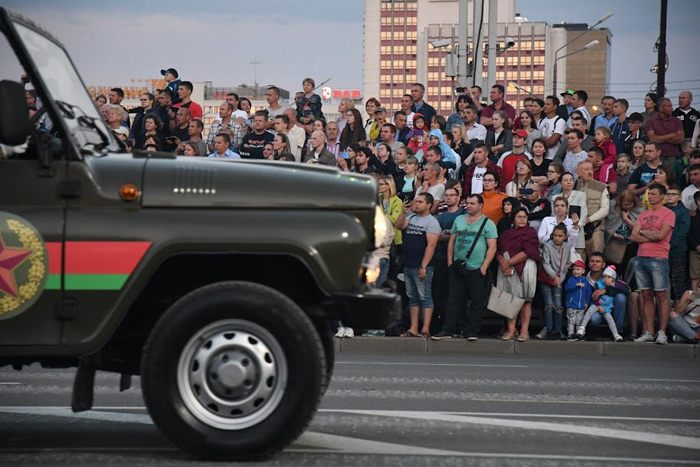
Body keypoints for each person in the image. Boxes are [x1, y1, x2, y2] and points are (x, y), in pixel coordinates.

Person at [431, 193, 498, 340]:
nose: (469, 206)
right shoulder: (459, 219)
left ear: (481, 205)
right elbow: (452, 241)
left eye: (472, 203)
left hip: (476, 267)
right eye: (467, 203)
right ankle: (448, 329)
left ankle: (472, 330)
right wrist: (450, 261)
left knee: (476, 300)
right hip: (457, 265)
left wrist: (484, 267)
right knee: (453, 299)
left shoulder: (488, 223)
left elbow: (492, 247)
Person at [630, 184, 676, 344]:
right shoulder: (644, 214)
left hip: (659, 257)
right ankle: (649, 331)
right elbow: (633, 236)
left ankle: (662, 331)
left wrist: (642, 232)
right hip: (641, 256)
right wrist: (648, 234)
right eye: (649, 194)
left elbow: (661, 235)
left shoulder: (669, 213)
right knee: (646, 295)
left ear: (662, 196)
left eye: (653, 194)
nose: (650, 197)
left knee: (662, 295)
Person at [395, 193, 441, 337]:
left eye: (420, 202)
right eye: (416, 201)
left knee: (425, 297)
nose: (417, 204)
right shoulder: (412, 217)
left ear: (429, 205)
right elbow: (399, 225)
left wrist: (424, 266)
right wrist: (403, 213)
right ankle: (413, 328)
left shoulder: (432, 222)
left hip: (421, 266)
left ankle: (425, 329)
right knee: (412, 297)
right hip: (409, 263)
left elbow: (431, 245)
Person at [495, 207, 541, 342]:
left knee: (525, 301)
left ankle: (524, 331)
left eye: (524, 217)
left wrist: (508, 262)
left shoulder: (530, 232)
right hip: (507, 270)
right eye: (519, 217)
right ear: (513, 218)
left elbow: (529, 251)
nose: (522, 219)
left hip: (525, 267)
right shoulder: (506, 234)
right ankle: (510, 330)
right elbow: (498, 251)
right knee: (510, 300)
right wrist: (503, 263)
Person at [539, 223, 572, 340]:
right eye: (555, 235)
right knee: (549, 304)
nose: (557, 238)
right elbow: (546, 263)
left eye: (560, 236)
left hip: (559, 279)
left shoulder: (567, 247)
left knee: (558, 305)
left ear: (565, 236)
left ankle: (558, 330)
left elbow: (567, 264)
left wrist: (560, 278)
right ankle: (549, 330)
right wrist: (554, 276)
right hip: (547, 278)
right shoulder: (548, 246)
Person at [583, 252, 627, 339]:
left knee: (621, 297)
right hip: (594, 308)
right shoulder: (583, 276)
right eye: (592, 261)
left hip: (610, 307)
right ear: (589, 263)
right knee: (594, 319)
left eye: (598, 261)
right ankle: (591, 331)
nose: (594, 263)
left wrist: (605, 290)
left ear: (603, 265)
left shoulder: (610, 274)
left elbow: (626, 289)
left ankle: (617, 332)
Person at [576, 266, 625, 342]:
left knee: (610, 320)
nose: (606, 279)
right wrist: (598, 306)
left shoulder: (615, 285)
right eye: (604, 277)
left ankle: (616, 335)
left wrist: (611, 284)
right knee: (589, 312)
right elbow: (594, 297)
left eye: (609, 277)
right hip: (597, 305)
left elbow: (622, 287)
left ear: (613, 278)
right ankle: (582, 328)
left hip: (606, 308)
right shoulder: (598, 284)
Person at [604, 190, 644, 276]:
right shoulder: (612, 207)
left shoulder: (639, 209)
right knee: (613, 267)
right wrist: (613, 234)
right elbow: (607, 224)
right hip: (615, 243)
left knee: (628, 267)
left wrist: (626, 219)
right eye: (625, 205)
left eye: (630, 205)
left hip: (631, 243)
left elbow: (640, 228)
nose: (627, 207)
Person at [576, 160, 610, 257]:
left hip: (596, 227)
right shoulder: (573, 187)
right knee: (578, 261)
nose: (590, 172)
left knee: (596, 258)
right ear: (578, 172)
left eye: (591, 169)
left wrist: (588, 220)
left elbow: (605, 209)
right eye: (586, 169)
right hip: (577, 229)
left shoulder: (602, 187)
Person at [666, 185, 690, 302]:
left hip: (678, 250)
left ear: (679, 197)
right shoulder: (663, 208)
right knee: (665, 278)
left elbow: (683, 231)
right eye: (668, 194)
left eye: (672, 194)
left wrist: (671, 244)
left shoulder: (683, 211)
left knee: (677, 279)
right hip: (662, 250)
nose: (669, 197)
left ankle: (681, 305)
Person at [645, 97, 684, 162]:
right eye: (669, 106)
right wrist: (672, 135)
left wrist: (660, 139)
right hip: (656, 157)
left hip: (673, 156)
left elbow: (680, 139)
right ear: (661, 108)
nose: (672, 109)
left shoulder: (676, 121)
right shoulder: (651, 122)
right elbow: (652, 139)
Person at [560, 172, 588, 258]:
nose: (569, 182)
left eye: (571, 180)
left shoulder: (581, 195)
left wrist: (576, 227)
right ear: (561, 183)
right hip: (560, 236)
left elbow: (583, 215)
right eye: (565, 180)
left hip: (577, 234)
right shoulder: (555, 198)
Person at [565, 260, 593, 340]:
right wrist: (576, 285)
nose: (575, 271)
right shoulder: (571, 280)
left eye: (578, 269)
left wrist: (587, 302)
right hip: (572, 305)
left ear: (583, 271)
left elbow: (588, 292)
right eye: (574, 269)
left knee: (579, 321)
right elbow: (567, 288)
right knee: (571, 321)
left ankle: (578, 334)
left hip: (581, 306)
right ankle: (570, 334)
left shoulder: (586, 281)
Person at [540, 96, 567, 160]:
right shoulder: (541, 121)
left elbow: (552, 141)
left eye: (548, 104)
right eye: (545, 104)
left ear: (555, 106)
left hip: (554, 157)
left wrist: (540, 145)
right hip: (542, 158)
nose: (545, 106)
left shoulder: (560, 121)